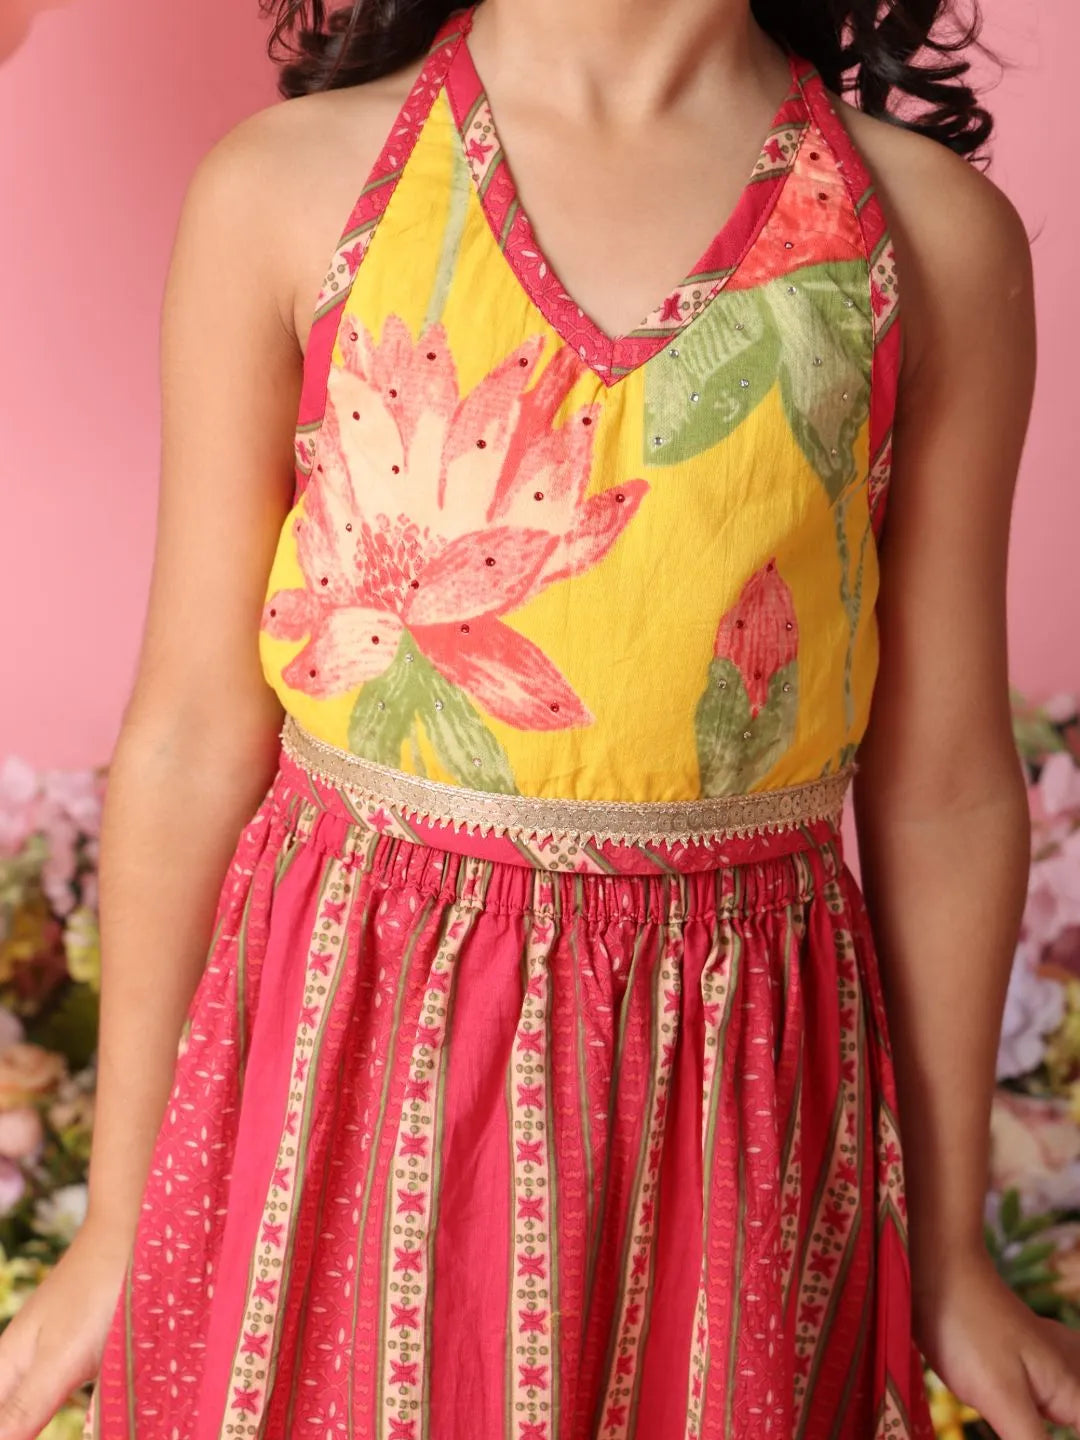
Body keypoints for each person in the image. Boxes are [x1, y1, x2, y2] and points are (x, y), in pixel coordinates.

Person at [0, 0, 1074, 1434]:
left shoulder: (929, 245)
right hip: (347, 1069)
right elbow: (193, 735)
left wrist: (944, 1251)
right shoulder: (287, 188)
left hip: (734, 1095)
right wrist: (117, 1220)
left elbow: (942, 788)